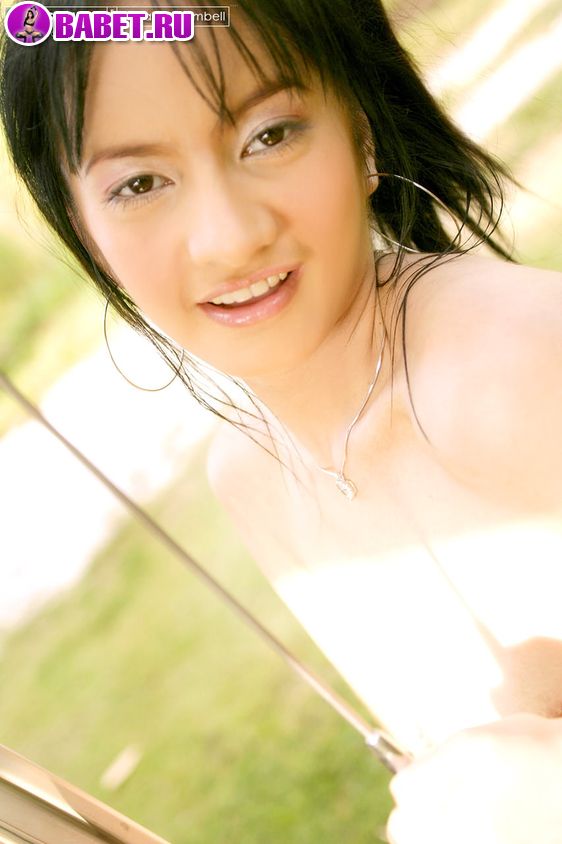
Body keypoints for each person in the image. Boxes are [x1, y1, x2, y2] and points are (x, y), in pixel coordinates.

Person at [1, 1, 561, 841]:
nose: (229, 239)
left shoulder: (518, 365)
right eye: (140, 184)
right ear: (84, 227)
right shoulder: (252, 476)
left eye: (270, 135)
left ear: (360, 125)